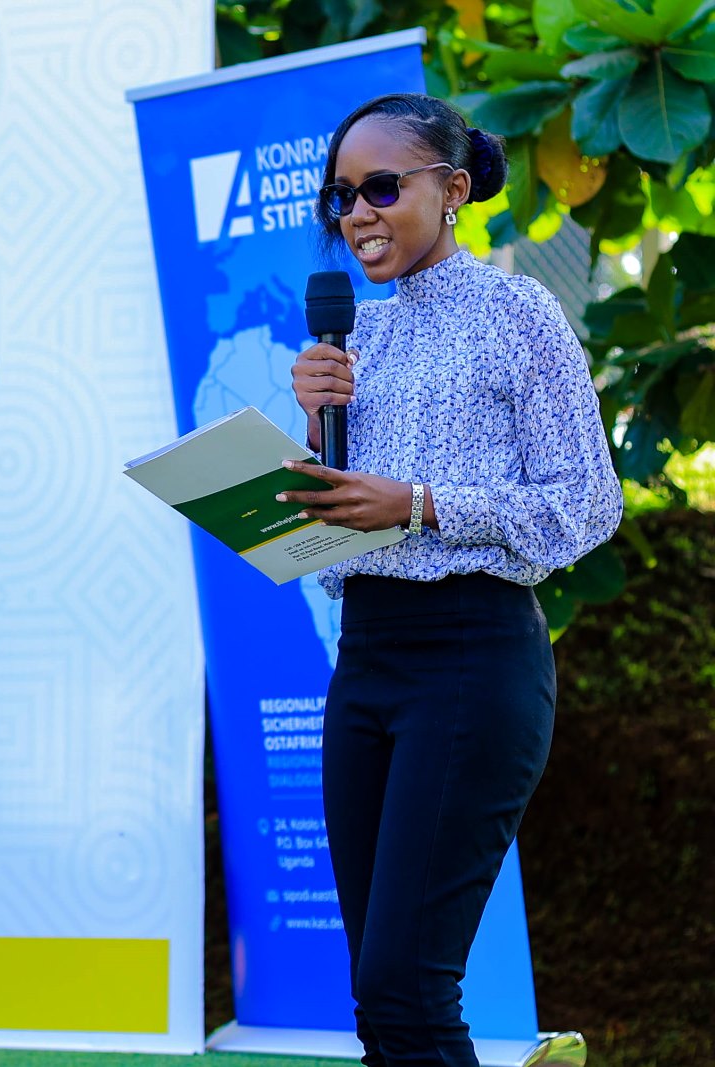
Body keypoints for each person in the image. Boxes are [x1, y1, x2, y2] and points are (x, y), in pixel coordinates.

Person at [278, 93, 622, 1066]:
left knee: (406, 983)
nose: (356, 214)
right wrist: (312, 445)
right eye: (341, 195)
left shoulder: (520, 312)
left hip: (472, 658)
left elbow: (586, 503)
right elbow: (352, 519)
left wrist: (420, 501)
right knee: (377, 999)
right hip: (366, 663)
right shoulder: (357, 344)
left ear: (454, 188)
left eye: (381, 187)